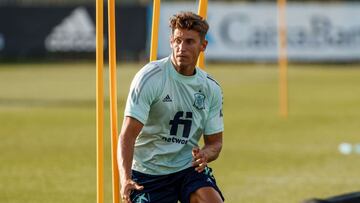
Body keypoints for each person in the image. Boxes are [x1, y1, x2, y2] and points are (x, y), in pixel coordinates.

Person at [117, 11, 224, 203]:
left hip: (187, 169)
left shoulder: (211, 88)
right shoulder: (150, 77)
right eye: (177, 40)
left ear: (203, 46)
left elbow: (215, 143)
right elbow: (127, 135)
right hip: (147, 173)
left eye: (189, 42)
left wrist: (205, 154)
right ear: (171, 42)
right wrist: (125, 178)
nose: (181, 47)